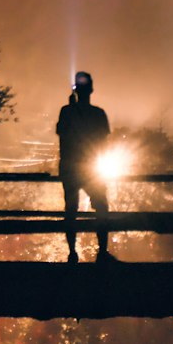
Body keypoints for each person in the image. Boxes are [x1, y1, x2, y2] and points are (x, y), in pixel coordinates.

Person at [56, 70, 114, 262]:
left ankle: (72, 253)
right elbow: (103, 142)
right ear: (91, 90)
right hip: (91, 167)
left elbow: (62, 133)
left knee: (70, 210)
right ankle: (102, 252)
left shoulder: (67, 111)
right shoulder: (98, 114)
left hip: (71, 167)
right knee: (102, 207)